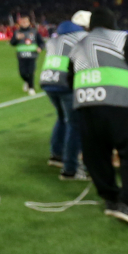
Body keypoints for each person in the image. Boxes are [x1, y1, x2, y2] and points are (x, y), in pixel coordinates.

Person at [68, 7, 128, 228]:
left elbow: (69, 79)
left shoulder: (78, 46)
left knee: (96, 156)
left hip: (86, 105)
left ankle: (110, 199)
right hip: (119, 103)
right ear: (112, 22)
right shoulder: (123, 39)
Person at [40, 17, 87, 181]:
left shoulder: (54, 39)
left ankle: (56, 155)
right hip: (66, 82)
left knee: (62, 118)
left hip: (48, 81)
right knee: (75, 124)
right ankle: (70, 169)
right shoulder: (81, 38)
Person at [10, 15, 43, 94]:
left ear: (29, 23)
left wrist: (40, 48)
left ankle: (31, 88)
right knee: (22, 73)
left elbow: (41, 42)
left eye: (26, 22)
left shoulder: (34, 32)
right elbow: (12, 43)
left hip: (32, 55)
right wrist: (16, 38)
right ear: (20, 23)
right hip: (21, 55)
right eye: (22, 22)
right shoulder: (17, 32)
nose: (24, 23)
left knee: (31, 71)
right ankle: (27, 82)